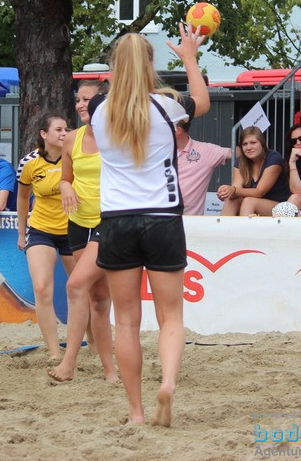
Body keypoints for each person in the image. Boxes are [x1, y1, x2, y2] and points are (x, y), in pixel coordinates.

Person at [90, 24, 210, 426]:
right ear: (150, 65)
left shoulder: (98, 110)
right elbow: (202, 102)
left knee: (125, 320)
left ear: (113, 67)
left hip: (117, 220)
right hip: (161, 217)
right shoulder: (165, 106)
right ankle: (169, 384)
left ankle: (136, 412)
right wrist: (190, 57)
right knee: (171, 317)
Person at [48, 79, 116, 384]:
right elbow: (66, 178)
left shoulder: (116, 138)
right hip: (78, 221)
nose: (79, 104)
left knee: (76, 286)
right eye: (77, 99)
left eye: (85, 98)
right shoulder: (71, 139)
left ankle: (68, 364)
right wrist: (65, 188)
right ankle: (110, 371)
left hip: (108, 223)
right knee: (96, 298)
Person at [16, 113, 74, 361]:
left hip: (74, 229)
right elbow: (21, 197)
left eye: (66, 129)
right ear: (44, 134)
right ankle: (53, 351)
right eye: (58, 129)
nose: (64, 133)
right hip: (41, 229)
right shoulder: (29, 163)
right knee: (41, 288)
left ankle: (92, 340)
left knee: (84, 291)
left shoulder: (75, 158)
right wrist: (21, 233)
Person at [216, 126, 291, 216]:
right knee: (232, 201)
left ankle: (244, 229)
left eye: (253, 143)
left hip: (280, 206)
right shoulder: (241, 161)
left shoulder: (274, 158)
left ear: (262, 143)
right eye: (245, 144)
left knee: (249, 201)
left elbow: (259, 192)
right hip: (254, 204)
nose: (249, 147)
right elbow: (236, 188)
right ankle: (223, 229)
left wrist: (233, 190)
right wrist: (225, 192)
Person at [175, 118, 232, 216]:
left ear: (178, 130)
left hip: (189, 223)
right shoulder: (156, 151)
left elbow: (236, 153)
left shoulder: (204, 151)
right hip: (155, 220)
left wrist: (236, 189)